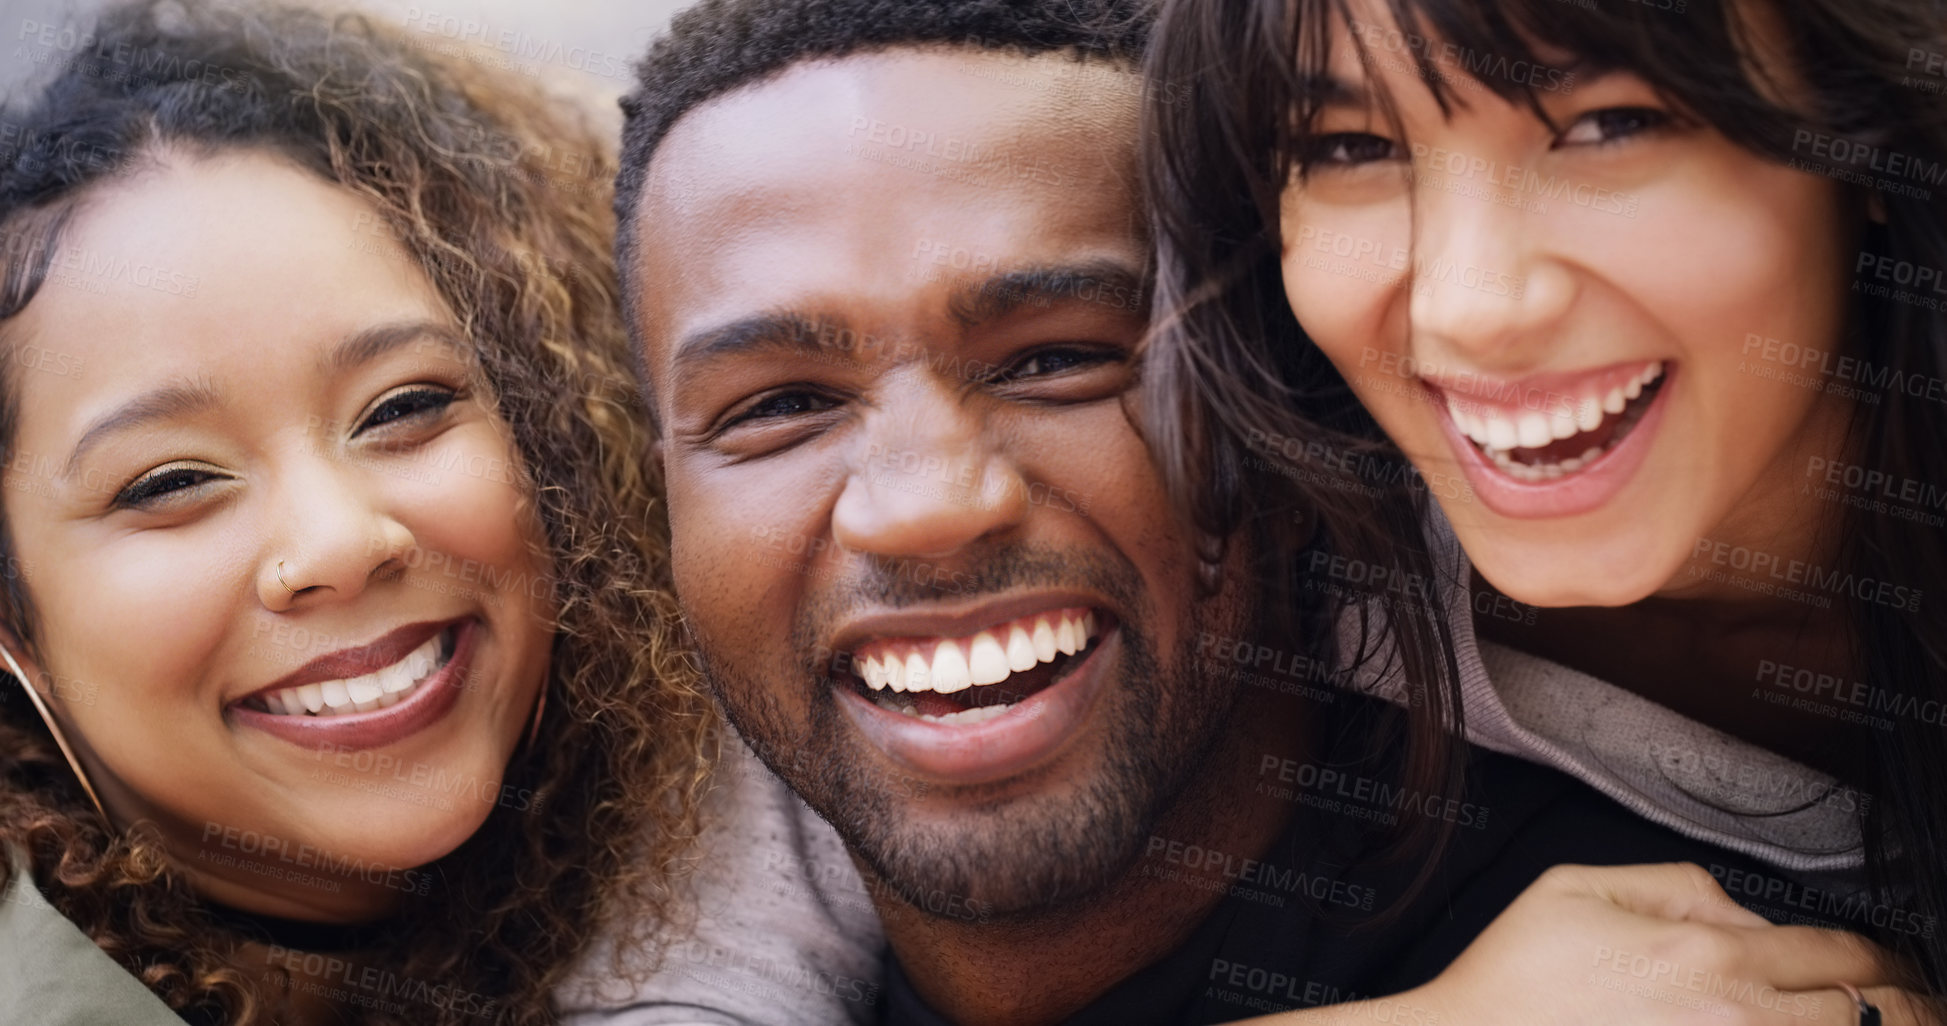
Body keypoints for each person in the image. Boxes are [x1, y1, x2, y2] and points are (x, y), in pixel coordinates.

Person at [566, 0, 1933, 1023]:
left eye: (1055, 358)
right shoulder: (675, 806)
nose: (922, 507)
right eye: (776, 406)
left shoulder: (1688, 977)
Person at [1143, 0, 1947, 1013]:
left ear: (1866, 136)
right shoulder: (1234, 579)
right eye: (1351, 146)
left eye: (1612, 124)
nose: (1468, 306)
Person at [0, 2, 714, 1023]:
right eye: (169, 483)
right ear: (15, 625)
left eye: (405, 407)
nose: (340, 541)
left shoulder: (722, 834)